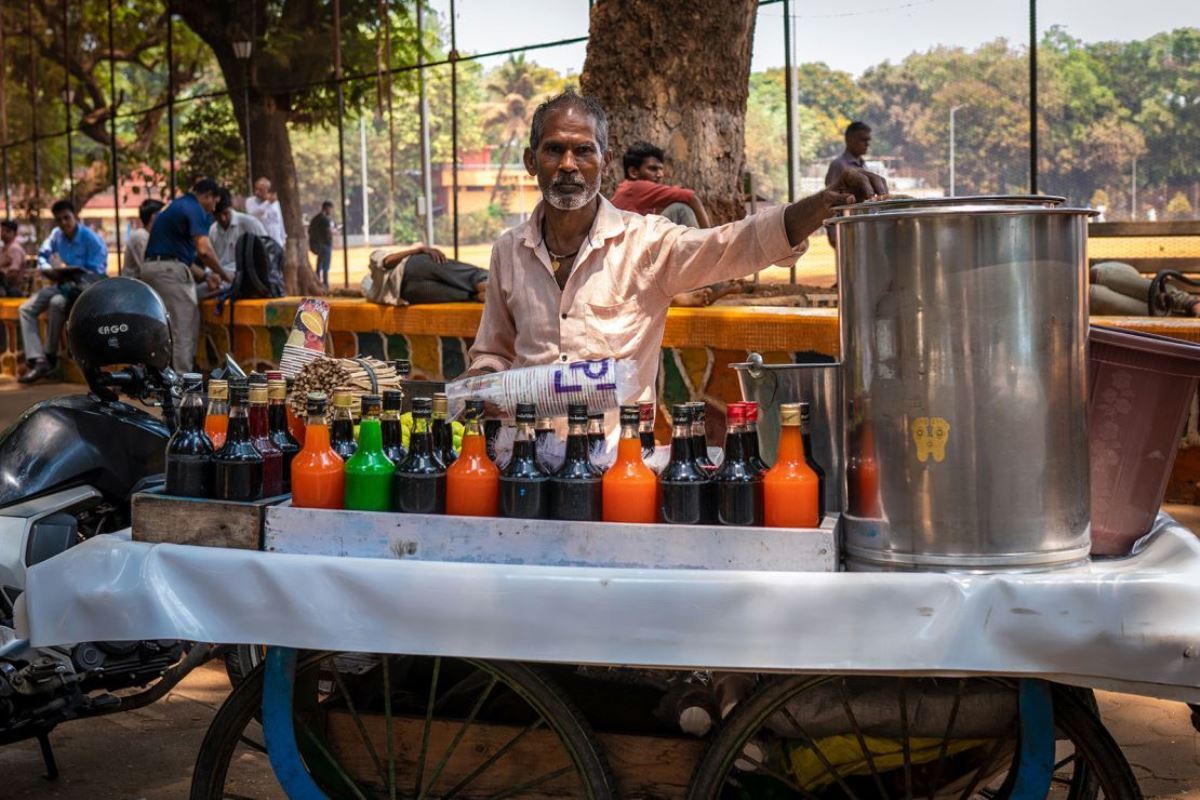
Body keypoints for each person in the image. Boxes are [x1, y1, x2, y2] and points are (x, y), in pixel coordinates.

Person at [465, 89, 883, 406]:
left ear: (604, 162)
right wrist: (479, 383)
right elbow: (494, 351)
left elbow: (733, 243)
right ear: (530, 161)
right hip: (523, 463)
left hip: (617, 464)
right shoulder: (509, 250)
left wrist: (822, 203)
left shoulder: (645, 243)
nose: (569, 164)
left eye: (583, 150)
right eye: (554, 149)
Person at [141, 178, 233, 372]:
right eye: (214, 202)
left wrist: (207, 276)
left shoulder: (179, 205)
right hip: (168, 272)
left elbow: (180, 257)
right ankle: (184, 387)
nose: (213, 208)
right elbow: (204, 250)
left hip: (156, 268)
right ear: (207, 195)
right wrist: (225, 275)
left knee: (169, 328)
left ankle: (163, 379)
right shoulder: (194, 208)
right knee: (183, 329)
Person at [19, 199, 109, 383]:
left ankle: (49, 356)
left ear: (75, 216)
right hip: (60, 283)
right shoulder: (56, 235)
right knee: (25, 309)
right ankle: (37, 358)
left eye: (66, 218)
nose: (63, 223)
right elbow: (42, 256)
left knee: (57, 303)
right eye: (59, 220)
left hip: (83, 286)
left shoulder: (91, 239)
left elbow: (98, 270)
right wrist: (47, 269)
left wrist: (77, 271)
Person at [610, 141, 711, 228]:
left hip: (635, 243)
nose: (660, 175)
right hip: (628, 245)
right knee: (680, 209)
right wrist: (709, 235)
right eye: (653, 169)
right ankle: (708, 248)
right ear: (633, 172)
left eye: (661, 169)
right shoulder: (635, 187)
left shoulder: (634, 191)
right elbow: (692, 198)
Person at [365, 244, 489, 305]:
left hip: (407, 294)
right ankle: (487, 282)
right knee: (469, 275)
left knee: (464, 295)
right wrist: (419, 250)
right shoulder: (375, 256)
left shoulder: (371, 293)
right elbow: (388, 261)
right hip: (412, 266)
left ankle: (478, 296)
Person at [824, 121, 876, 248]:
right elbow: (830, 200)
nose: (867, 144)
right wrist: (832, 232)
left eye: (868, 140)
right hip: (845, 229)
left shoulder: (864, 165)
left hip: (862, 228)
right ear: (850, 140)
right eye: (863, 140)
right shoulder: (839, 165)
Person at [208, 187, 267, 294]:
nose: (223, 218)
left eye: (225, 213)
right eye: (217, 215)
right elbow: (210, 262)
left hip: (247, 279)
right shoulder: (213, 230)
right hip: (220, 280)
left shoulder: (249, 223)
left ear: (231, 207)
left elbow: (266, 250)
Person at [1090, 261, 1200, 316]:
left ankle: (1186, 301)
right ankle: (1175, 316)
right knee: (1090, 295)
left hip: (1112, 272)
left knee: (1097, 274)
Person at [124, 198, 165, 280]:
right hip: (135, 288)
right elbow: (146, 267)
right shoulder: (140, 236)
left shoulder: (150, 236)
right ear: (154, 217)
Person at [245, 177, 287, 249]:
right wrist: (267, 203)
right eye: (256, 189)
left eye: (260, 190)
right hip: (261, 241)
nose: (257, 192)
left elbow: (279, 221)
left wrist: (283, 239)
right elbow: (253, 215)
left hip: (276, 241)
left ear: (267, 190)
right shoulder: (250, 201)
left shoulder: (275, 203)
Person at [307, 201, 336, 288]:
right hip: (325, 244)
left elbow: (309, 231)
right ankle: (325, 284)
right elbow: (328, 232)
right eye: (330, 209)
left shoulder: (315, 219)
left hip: (317, 245)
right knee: (325, 267)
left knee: (319, 265)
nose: (331, 211)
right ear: (326, 208)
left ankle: (318, 282)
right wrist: (333, 232)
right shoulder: (325, 220)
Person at [0, 220, 27, 297]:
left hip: (11, 288)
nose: (3, 233)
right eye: (2, 230)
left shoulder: (14, 249)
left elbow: (13, 274)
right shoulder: (2, 249)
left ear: (14, 234)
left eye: (7, 231)